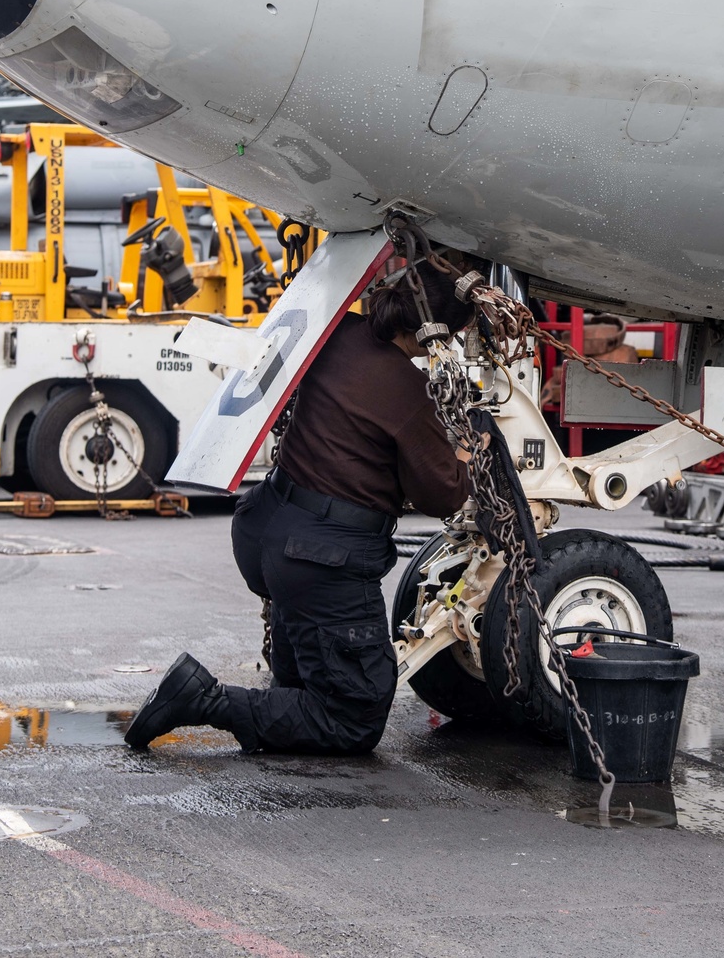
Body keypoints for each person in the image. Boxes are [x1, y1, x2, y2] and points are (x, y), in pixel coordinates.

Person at [124, 260, 473, 754]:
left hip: (266, 527)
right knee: (353, 719)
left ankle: (270, 715)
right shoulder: (410, 395)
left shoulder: (338, 333)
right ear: (450, 331)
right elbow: (444, 495)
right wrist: (466, 448)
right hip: (321, 558)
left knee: (301, 691)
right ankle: (201, 699)